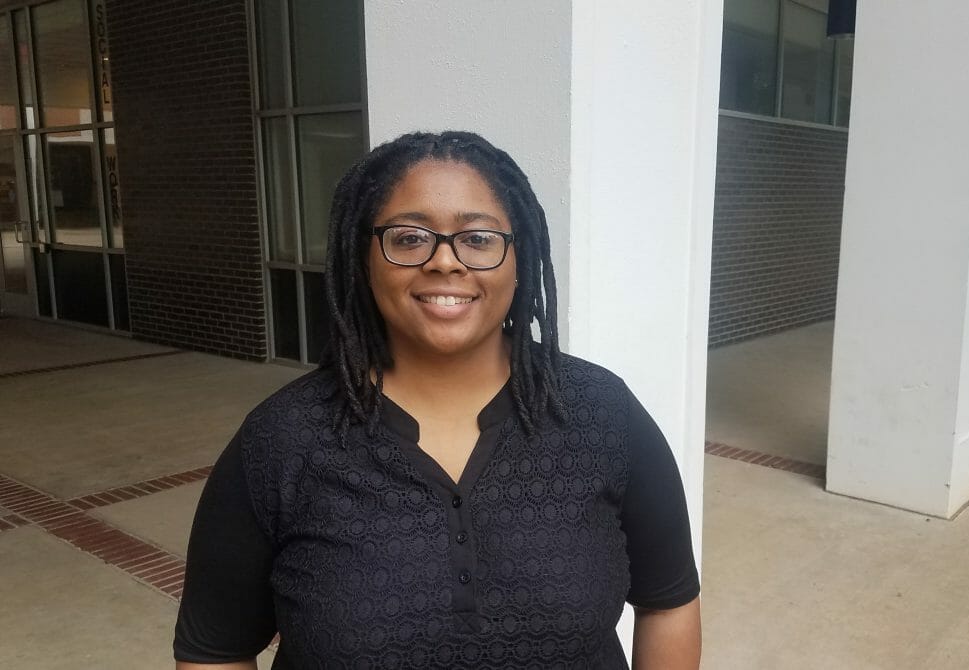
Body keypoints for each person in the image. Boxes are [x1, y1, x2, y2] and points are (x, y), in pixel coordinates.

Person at [174, 131, 701, 669]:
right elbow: (215, 652)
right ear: (363, 259)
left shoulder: (602, 412)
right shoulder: (282, 439)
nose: (446, 261)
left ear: (518, 258)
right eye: (409, 238)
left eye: (478, 238)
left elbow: (668, 602)